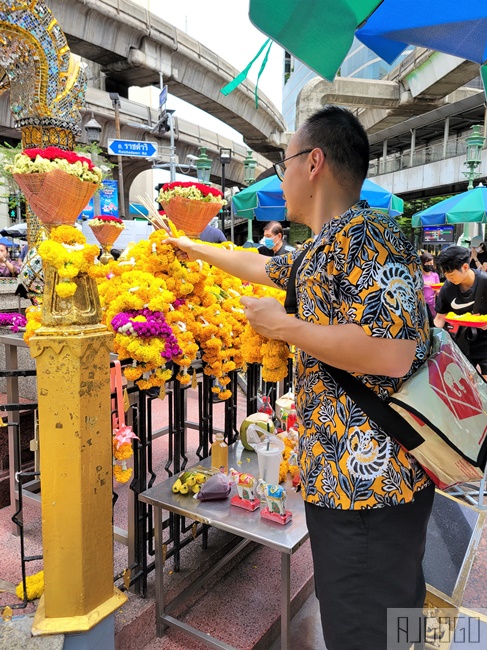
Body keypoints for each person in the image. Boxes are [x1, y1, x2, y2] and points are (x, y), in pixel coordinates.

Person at [166, 105, 434, 650]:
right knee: (397, 614)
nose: (278, 176)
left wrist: (283, 325)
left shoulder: (368, 235)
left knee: (362, 628)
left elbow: (392, 351)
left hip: (367, 489)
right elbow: (262, 267)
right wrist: (192, 247)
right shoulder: (325, 246)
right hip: (357, 483)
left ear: (314, 163)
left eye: (282, 161)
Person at [434, 245, 487, 379]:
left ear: (465, 267)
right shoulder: (447, 288)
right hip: (461, 343)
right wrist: (433, 338)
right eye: (446, 275)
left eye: (451, 275)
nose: (449, 279)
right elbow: (440, 317)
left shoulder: (485, 282)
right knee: (465, 384)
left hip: (485, 343)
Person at [421, 252, 440, 319]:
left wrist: (436, 289)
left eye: (431, 264)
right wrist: (423, 284)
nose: (430, 265)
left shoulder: (435, 275)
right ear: (422, 264)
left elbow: (438, 291)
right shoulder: (419, 275)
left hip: (432, 305)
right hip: (422, 305)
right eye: (427, 264)